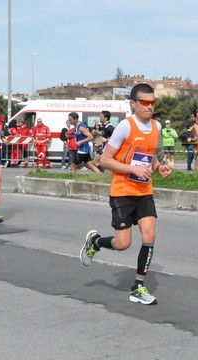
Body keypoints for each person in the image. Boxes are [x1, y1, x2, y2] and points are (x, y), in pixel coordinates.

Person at [79, 83, 172, 305]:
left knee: (149, 236)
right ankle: (95, 242)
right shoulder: (125, 127)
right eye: (145, 102)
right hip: (122, 192)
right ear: (133, 103)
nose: (150, 107)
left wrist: (158, 167)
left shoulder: (157, 126)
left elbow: (149, 155)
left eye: (153, 102)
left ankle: (138, 286)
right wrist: (133, 169)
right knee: (123, 244)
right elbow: (104, 160)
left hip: (144, 190)